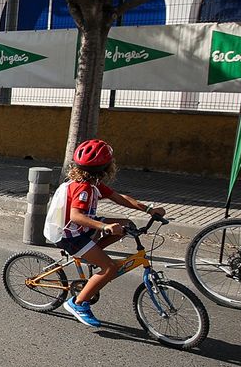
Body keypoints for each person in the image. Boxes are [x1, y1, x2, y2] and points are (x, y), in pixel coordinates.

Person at [45, 139, 165, 328]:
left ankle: (93, 255)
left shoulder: (93, 183)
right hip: (71, 236)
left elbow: (119, 198)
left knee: (126, 225)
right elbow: (76, 216)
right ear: (108, 167)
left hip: (82, 228)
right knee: (110, 268)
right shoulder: (83, 188)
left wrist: (149, 209)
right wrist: (104, 228)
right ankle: (77, 304)